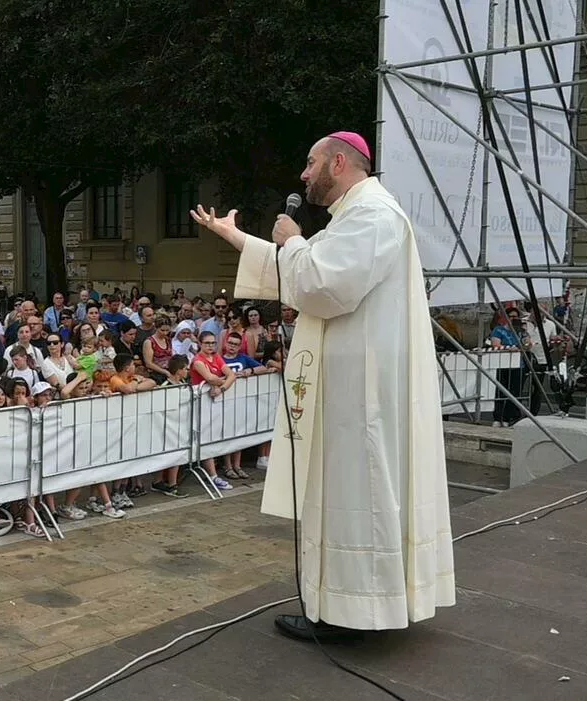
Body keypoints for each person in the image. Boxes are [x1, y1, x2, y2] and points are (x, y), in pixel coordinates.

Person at [192, 130, 454, 642]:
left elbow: (322, 285)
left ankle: (350, 614)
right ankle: (342, 606)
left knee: (356, 494)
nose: (303, 174)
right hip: (349, 387)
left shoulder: (374, 215)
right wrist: (236, 237)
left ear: (339, 162)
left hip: (359, 396)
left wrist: (291, 237)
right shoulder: (355, 217)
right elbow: (306, 270)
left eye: (310, 164)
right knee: (342, 494)